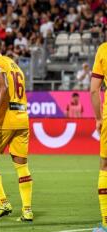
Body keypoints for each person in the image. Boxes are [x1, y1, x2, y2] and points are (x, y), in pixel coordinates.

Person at [0, 36, 33, 222]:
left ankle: (3, 203)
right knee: (21, 165)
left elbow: (3, 86)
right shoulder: (13, 64)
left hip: (5, 121)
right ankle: (27, 210)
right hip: (22, 118)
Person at [90, 42, 107, 232]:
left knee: (105, 166)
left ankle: (106, 223)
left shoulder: (103, 49)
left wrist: (98, 118)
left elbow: (94, 90)